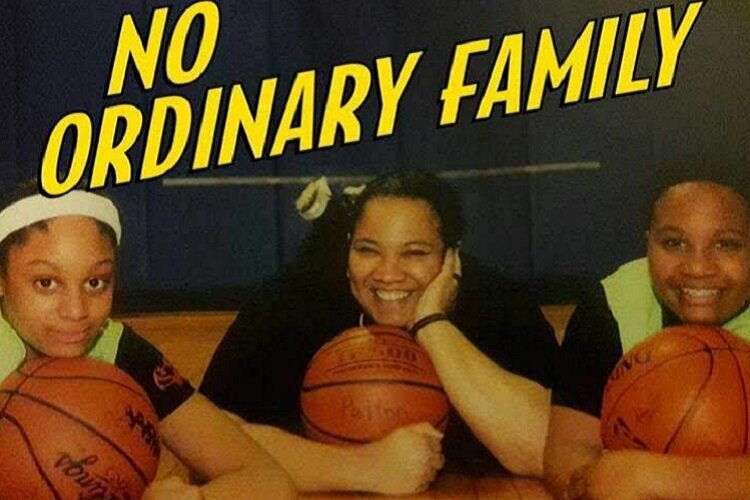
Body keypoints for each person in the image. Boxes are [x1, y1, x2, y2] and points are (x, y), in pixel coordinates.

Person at [200, 170, 558, 494]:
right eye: (368, 251)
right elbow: (205, 443)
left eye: (414, 253)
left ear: (452, 258)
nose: (388, 274)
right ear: (348, 249)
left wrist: (431, 324)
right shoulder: (292, 306)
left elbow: (552, 450)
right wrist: (365, 468)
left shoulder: (500, 309)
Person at [0, 184, 297, 500]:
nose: (77, 311)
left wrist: (196, 499)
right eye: (46, 283)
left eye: (95, 282)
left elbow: (269, 481)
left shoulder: (122, 353)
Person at [545, 180, 750, 499]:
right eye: (674, 243)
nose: (697, 267)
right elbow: (568, 455)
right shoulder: (612, 304)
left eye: (726, 245)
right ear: (648, 244)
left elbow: (626, 480)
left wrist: (656, 478)